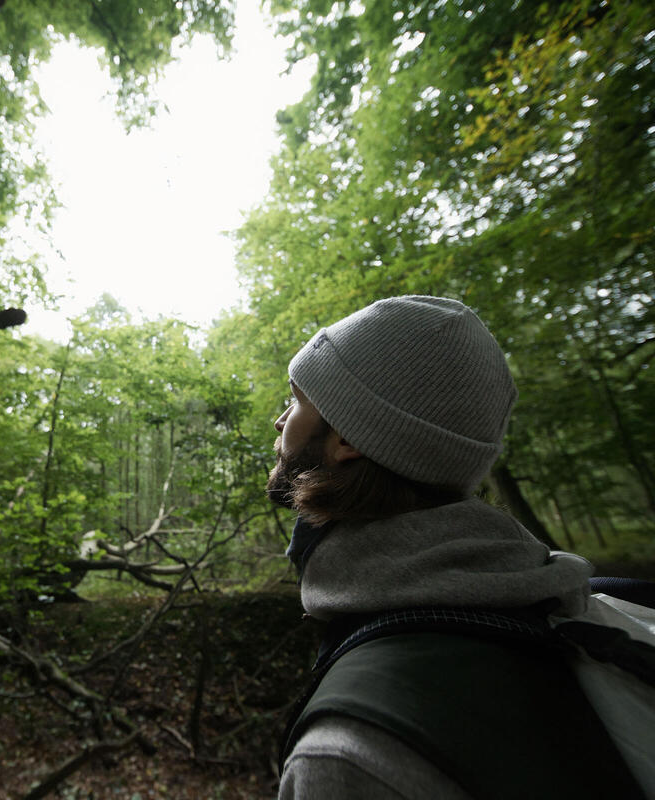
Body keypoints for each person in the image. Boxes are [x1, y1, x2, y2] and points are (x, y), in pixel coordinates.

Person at [267, 296, 646, 800]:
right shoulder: (565, 605)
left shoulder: (347, 757)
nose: (280, 420)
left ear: (345, 440)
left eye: (296, 400)